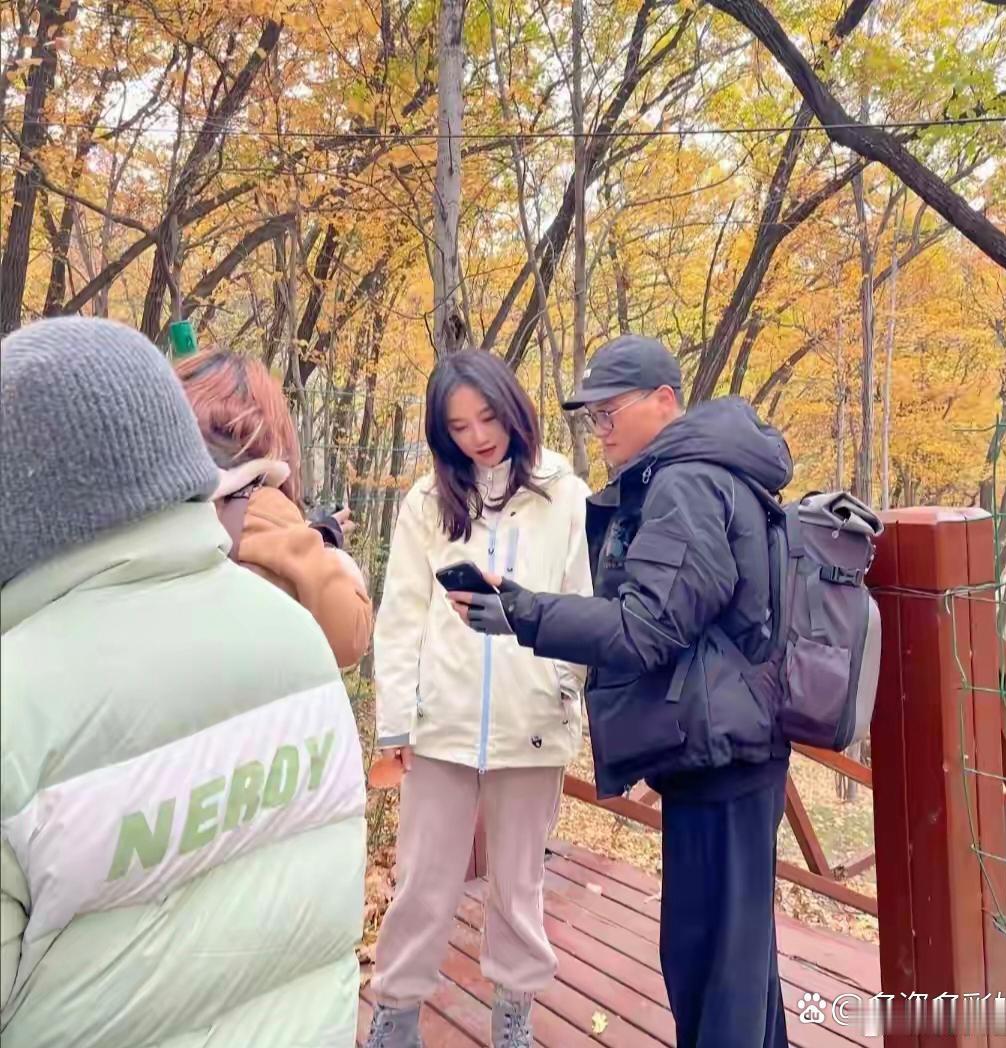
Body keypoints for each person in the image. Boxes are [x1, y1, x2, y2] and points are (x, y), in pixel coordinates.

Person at [0, 317, 367, 1047]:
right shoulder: (293, 638)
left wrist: (261, 514)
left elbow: (350, 621)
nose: (220, 459)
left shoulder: (20, 702)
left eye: (240, 446)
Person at [451, 334, 794, 1048]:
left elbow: (648, 627)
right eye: (592, 418)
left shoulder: (689, 483)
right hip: (732, 746)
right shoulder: (711, 474)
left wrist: (525, 611)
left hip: (721, 754)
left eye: (609, 413)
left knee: (709, 966)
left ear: (664, 401)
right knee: (739, 959)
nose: (599, 430)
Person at [366, 350, 592, 1048]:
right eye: (458, 426)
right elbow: (401, 616)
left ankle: (513, 1015)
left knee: (519, 889)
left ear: (514, 408)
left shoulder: (565, 494)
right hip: (442, 728)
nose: (477, 437)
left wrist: (563, 689)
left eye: (487, 417)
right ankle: (396, 1014)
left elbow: (583, 607)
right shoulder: (427, 503)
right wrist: (396, 720)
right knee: (421, 885)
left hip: (531, 726)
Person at [176, 349, 372, 669]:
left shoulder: (144, 510)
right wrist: (328, 553)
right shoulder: (261, 508)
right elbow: (349, 635)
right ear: (269, 435)